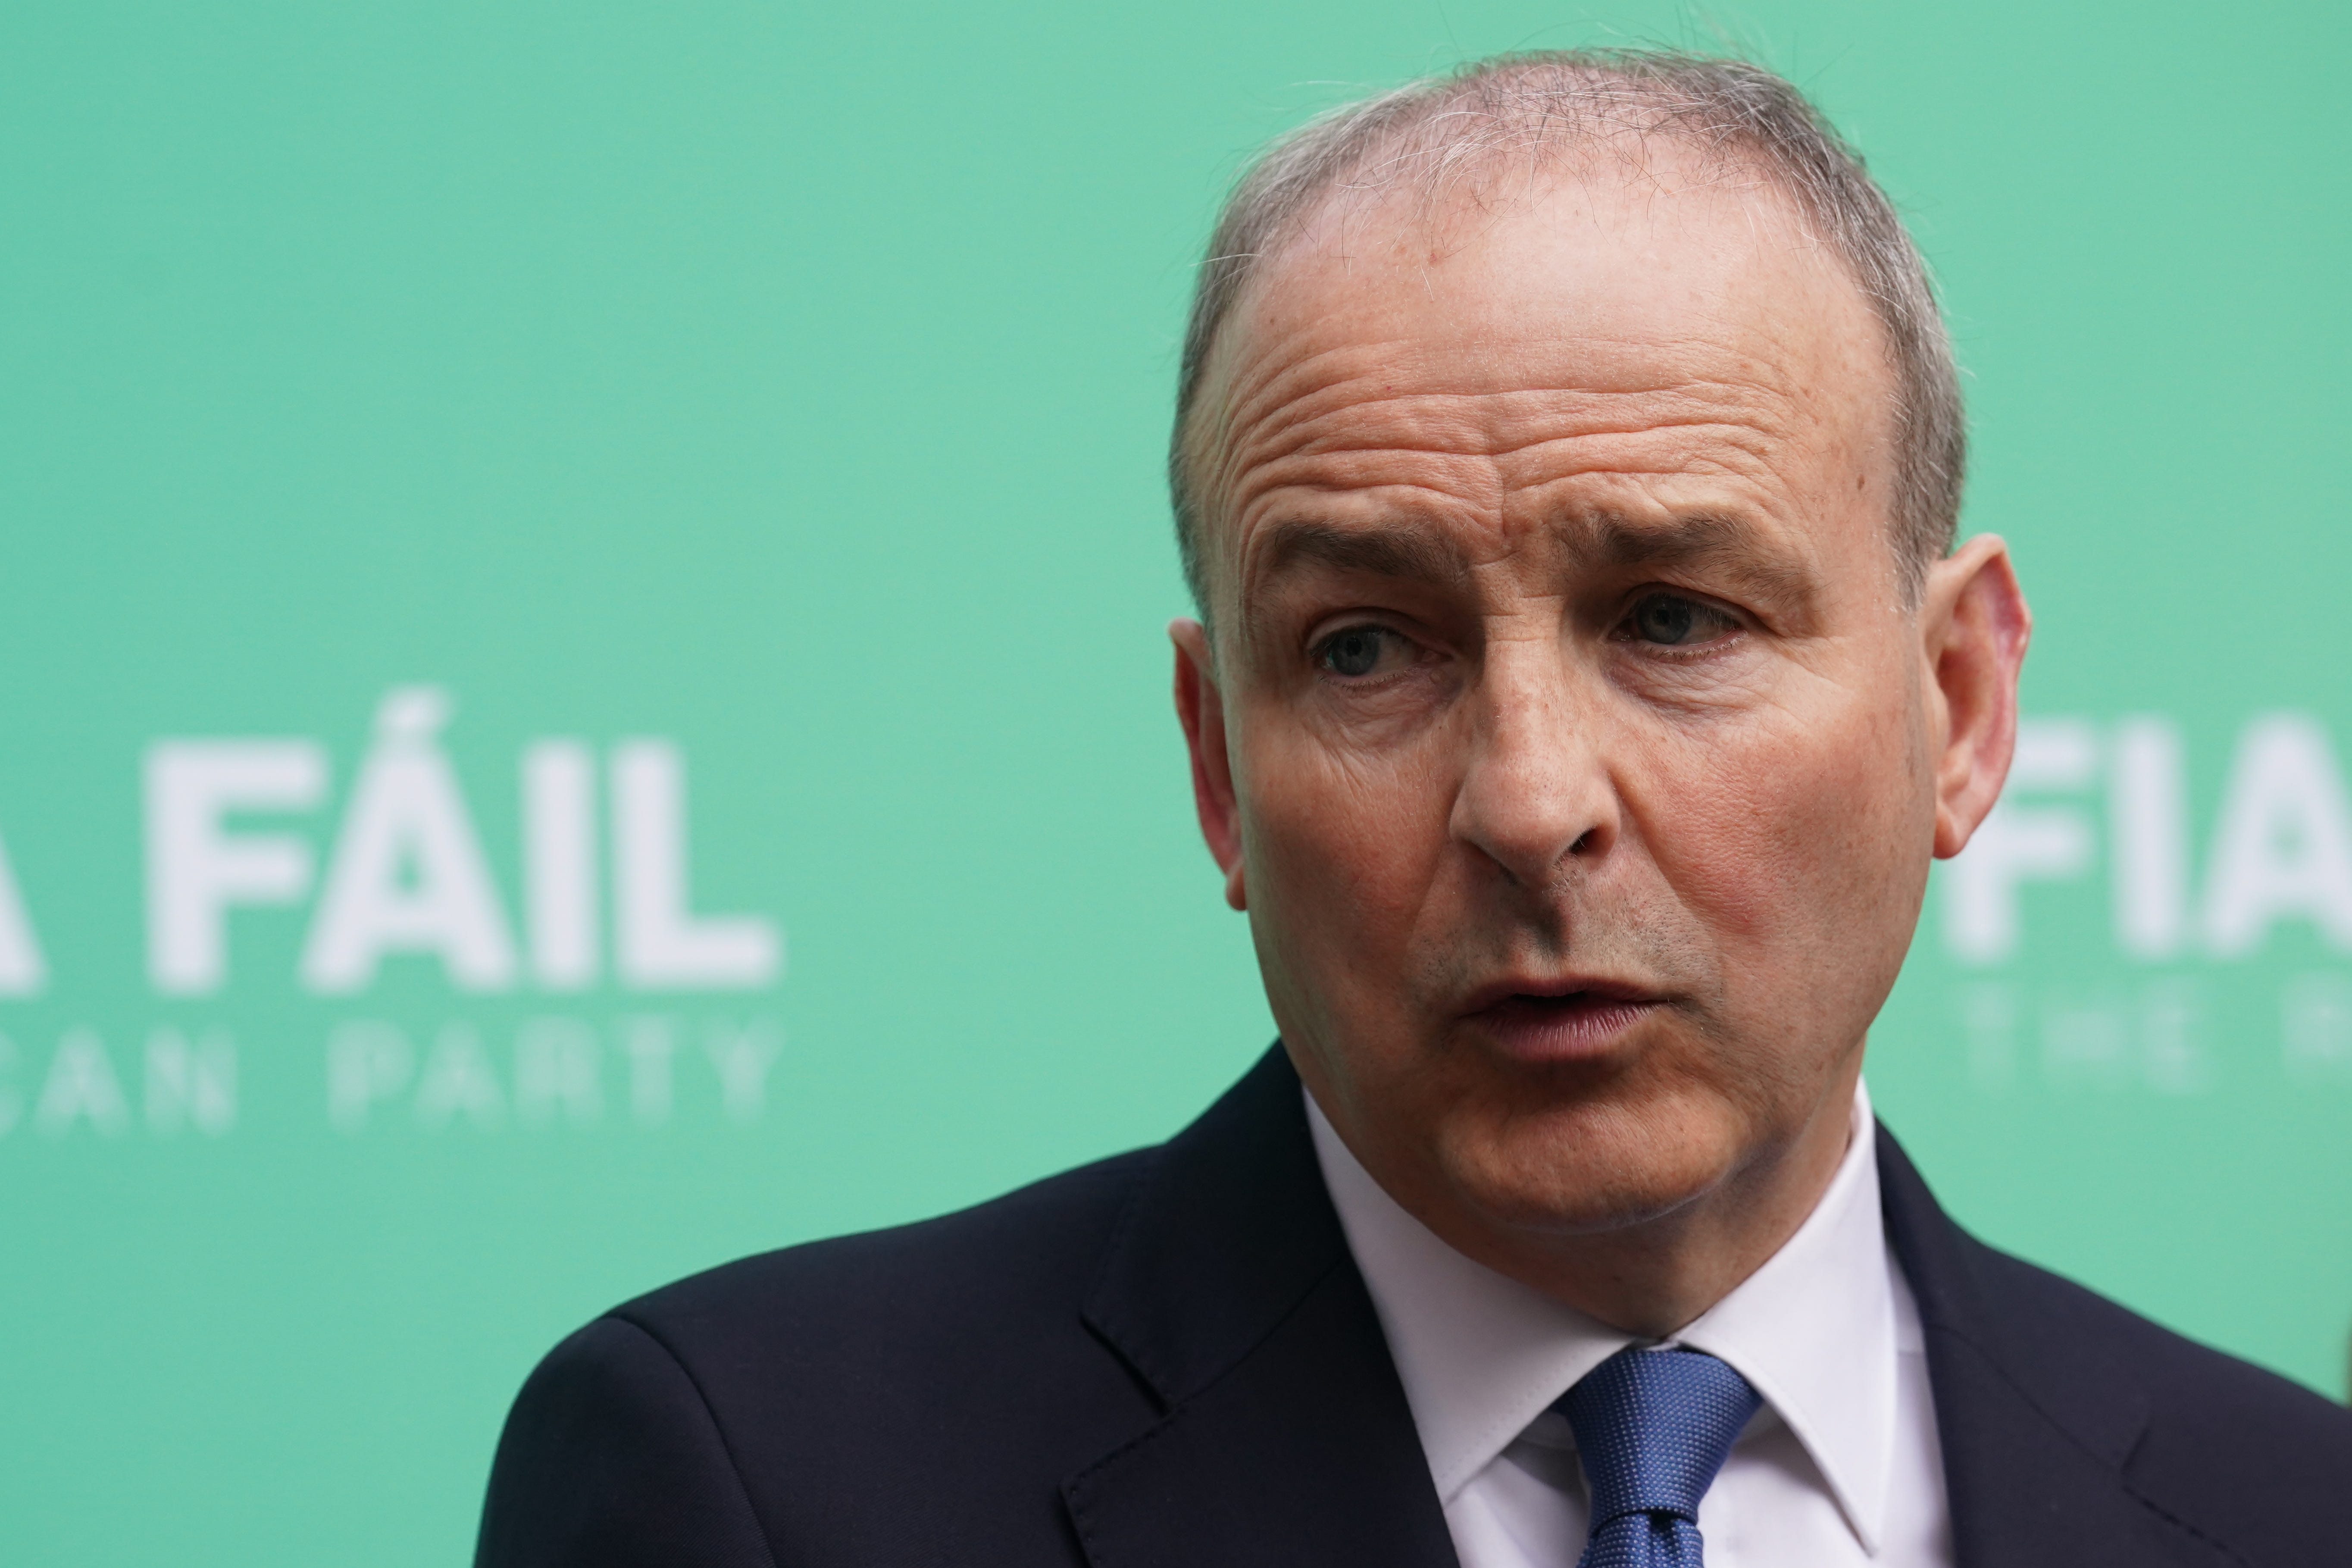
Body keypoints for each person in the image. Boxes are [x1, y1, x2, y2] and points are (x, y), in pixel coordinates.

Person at [475, 51, 2352, 1568]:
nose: (1529, 803)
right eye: (1366, 649)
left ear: (1956, 703)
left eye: (1673, 618)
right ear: (1217, 762)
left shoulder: (2287, 1509)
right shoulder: (753, 1488)